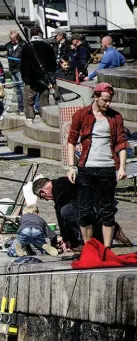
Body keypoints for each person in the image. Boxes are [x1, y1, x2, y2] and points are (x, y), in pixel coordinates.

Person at [67, 83, 128, 249]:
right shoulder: (81, 114)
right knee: (85, 210)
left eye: (110, 101)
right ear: (96, 97)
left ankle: (106, 248)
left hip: (107, 167)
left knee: (106, 210)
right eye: (105, 100)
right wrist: (71, 166)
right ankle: (88, 248)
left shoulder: (115, 117)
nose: (108, 104)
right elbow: (71, 141)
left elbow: (121, 143)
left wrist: (121, 167)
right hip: (87, 167)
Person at [32, 176, 132, 250]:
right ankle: (100, 232)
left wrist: (68, 241)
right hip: (98, 207)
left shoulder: (58, 187)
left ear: (42, 192)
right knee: (70, 211)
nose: (45, 200)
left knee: (66, 211)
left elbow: (61, 216)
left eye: (42, 197)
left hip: (97, 208)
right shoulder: (61, 183)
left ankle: (85, 240)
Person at [20, 27, 57, 125]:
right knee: (44, 100)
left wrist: (24, 77)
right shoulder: (48, 46)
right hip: (45, 79)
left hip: (30, 79)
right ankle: (44, 119)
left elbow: (22, 65)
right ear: (40, 33)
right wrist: (51, 77)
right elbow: (53, 64)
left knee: (29, 101)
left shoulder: (26, 47)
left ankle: (29, 119)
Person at [0, 30, 26, 114]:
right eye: (11, 39)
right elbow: (0, 48)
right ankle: (20, 108)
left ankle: (26, 108)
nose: (12, 41)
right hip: (12, 70)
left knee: (22, 89)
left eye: (13, 39)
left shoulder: (24, 45)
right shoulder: (9, 45)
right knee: (17, 91)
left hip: (20, 70)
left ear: (17, 37)